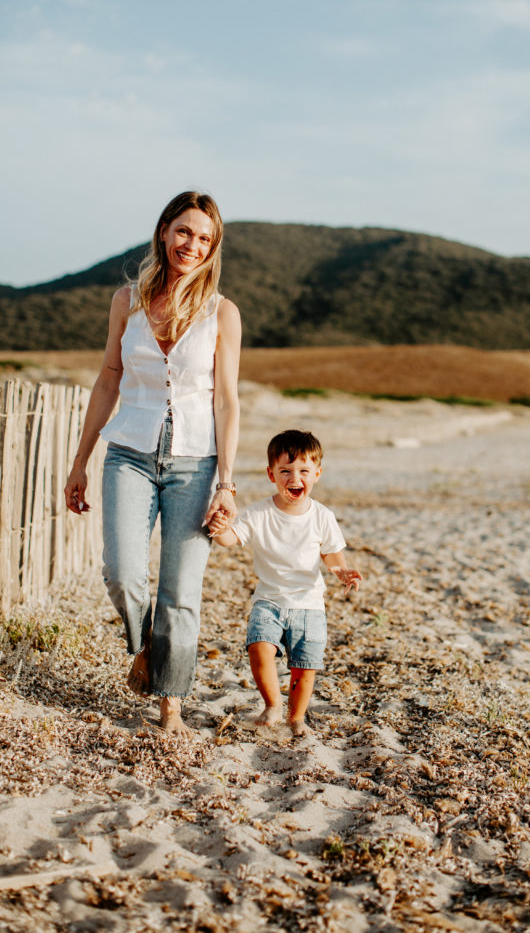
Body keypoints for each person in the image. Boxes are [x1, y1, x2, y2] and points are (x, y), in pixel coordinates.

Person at [64, 191, 241, 737]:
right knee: (121, 573)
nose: (193, 245)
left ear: (213, 249)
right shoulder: (128, 300)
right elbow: (109, 378)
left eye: (205, 238)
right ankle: (142, 649)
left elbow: (227, 398)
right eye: (184, 231)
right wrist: (80, 460)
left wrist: (227, 485)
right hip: (129, 453)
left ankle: (170, 707)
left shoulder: (222, 313)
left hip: (195, 462)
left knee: (181, 591)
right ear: (164, 231)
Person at [211, 430, 362, 736]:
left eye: (304, 471)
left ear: (317, 474)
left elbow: (332, 555)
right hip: (269, 599)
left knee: (305, 668)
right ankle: (271, 704)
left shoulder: (322, 516)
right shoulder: (259, 514)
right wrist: (219, 527)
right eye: (286, 471)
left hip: (309, 604)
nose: (295, 478)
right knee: (259, 649)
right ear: (271, 475)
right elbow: (230, 539)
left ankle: (296, 716)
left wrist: (342, 572)